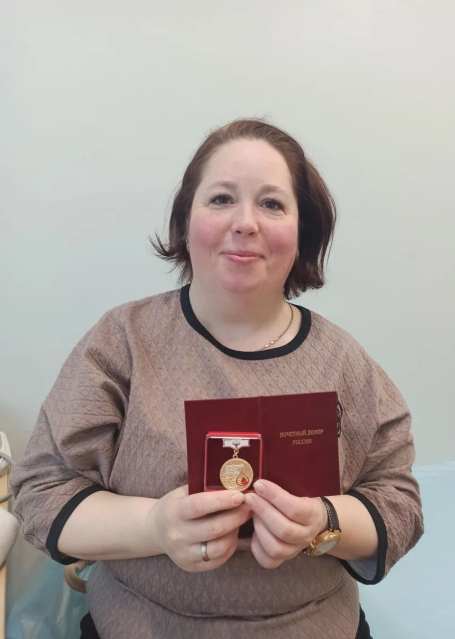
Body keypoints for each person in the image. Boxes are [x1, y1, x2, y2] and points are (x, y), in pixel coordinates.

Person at [11, 118, 424, 639]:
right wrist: (155, 527)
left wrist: (325, 522)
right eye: (222, 198)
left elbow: (399, 502)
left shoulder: (344, 362)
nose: (245, 223)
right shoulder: (123, 342)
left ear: (303, 233)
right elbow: (41, 491)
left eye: (272, 204)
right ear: (184, 223)